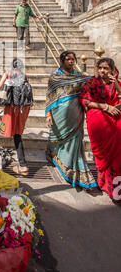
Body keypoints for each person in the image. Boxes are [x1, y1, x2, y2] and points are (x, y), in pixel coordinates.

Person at [46, 51, 98, 192]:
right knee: (57, 138)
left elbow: (92, 84)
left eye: (73, 59)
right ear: (62, 60)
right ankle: (54, 155)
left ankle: (74, 170)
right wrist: (48, 114)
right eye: (68, 59)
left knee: (75, 141)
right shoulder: (55, 77)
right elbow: (49, 96)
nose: (71, 61)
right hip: (58, 115)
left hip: (76, 114)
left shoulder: (79, 76)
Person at [79, 57, 121, 200]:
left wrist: (117, 86)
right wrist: (105, 107)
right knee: (102, 155)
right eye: (101, 68)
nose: (103, 71)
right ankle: (102, 181)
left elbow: (119, 100)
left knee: (116, 153)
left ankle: (112, 187)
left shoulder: (115, 83)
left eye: (106, 68)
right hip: (98, 119)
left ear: (112, 70)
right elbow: (84, 100)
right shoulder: (92, 82)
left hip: (114, 122)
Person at [0, 59, 33, 176]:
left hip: (12, 107)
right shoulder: (24, 75)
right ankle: (22, 163)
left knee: (13, 132)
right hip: (23, 108)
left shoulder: (8, 73)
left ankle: (23, 166)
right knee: (18, 133)